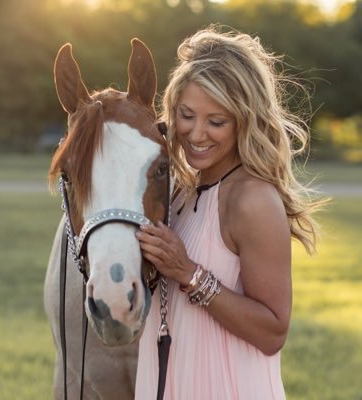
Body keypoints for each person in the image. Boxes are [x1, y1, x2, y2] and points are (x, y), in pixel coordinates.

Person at [135, 26, 323, 399]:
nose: (196, 133)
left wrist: (188, 273)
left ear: (244, 120)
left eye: (216, 121)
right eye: (186, 115)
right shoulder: (180, 193)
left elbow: (273, 332)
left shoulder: (253, 200)